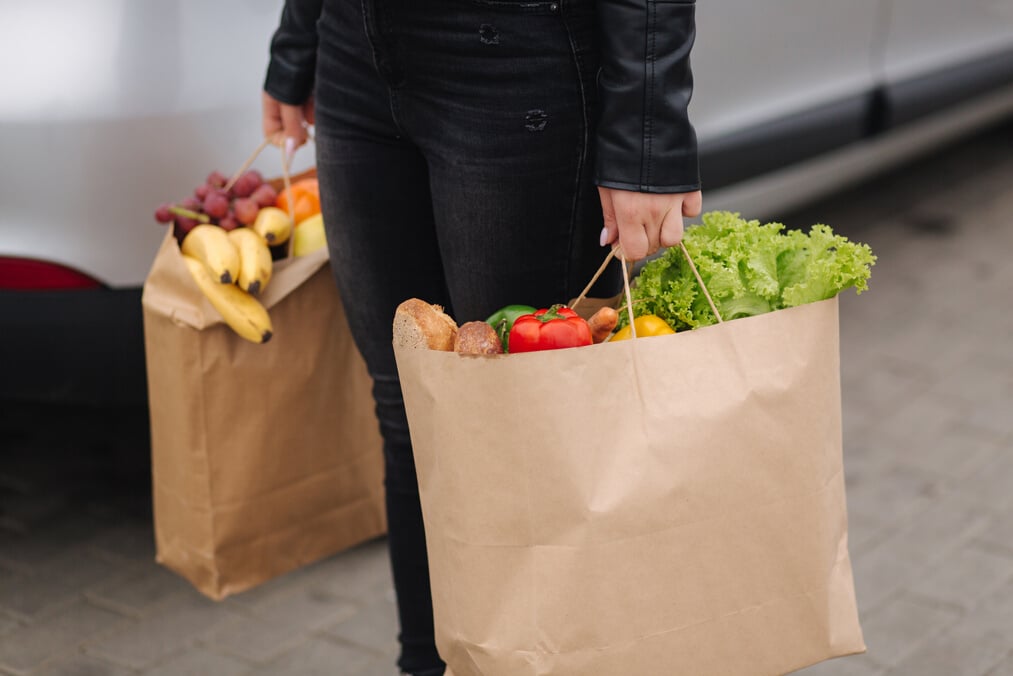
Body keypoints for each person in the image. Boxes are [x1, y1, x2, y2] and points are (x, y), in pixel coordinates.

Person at [262, 1, 701, 674]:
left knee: (522, 427)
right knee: (410, 406)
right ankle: (426, 664)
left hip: (511, 65)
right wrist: (297, 41)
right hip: (352, 51)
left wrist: (647, 138)